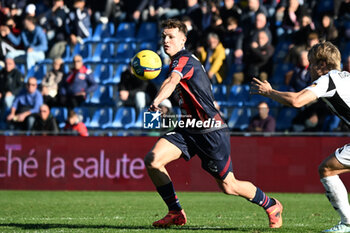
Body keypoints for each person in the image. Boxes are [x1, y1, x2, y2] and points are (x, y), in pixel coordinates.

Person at [144, 18, 283, 229]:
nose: (166, 40)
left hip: (210, 130)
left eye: (171, 36)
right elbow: (170, 81)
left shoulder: (185, 60)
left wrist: (156, 101)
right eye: (163, 36)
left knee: (229, 186)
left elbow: (172, 81)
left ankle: (271, 204)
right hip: (189, 128)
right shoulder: (175, 63)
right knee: (153, 160)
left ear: (183, 39)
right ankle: (175, 212)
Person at [251, 41, 350, 232]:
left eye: (311, 63)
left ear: (322, 65)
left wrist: (270, 92)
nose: (309, 68)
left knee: (328, 169)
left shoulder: (328, 79)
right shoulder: (344, 77)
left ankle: (347, 223)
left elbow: (297, 101)